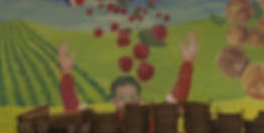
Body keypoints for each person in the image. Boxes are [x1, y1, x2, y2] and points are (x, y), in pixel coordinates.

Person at [57, 32, 198, 112]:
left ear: (140, 99)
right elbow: (73, 107)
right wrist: (66, 72)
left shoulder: (151, 119)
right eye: (123, 98)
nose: (130, 102)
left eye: (134, 97)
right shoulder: (105, 124)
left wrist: (188, 63)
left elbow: (177, 96)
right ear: (114, 101)